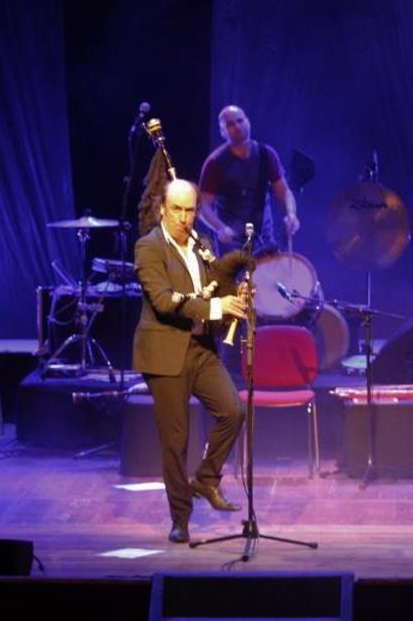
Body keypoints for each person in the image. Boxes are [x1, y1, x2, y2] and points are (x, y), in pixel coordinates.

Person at [133, 179, 249, 543]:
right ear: (162, 210)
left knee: (233, 411)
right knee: (176, 440)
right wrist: (215, 306)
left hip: (201, 347)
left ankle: (206, 479)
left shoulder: (203, 245)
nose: (184, 218)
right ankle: (180, 518)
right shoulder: (148, 247)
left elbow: (213, 289)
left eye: (190, 210)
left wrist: (234, 294)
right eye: (177, 210)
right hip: (165, 352)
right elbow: (164, 301)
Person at [199, 105, 300, 254]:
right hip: (232, 243)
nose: (237, 127)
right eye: (230, 124)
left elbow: (284, 191)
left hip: (264, 238)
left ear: (248, 122)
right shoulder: (216, 162)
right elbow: (202, 205)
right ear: (222, 132)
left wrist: (291, 214)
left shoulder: (266, 154)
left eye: (240, 121)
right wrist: (220, 228)